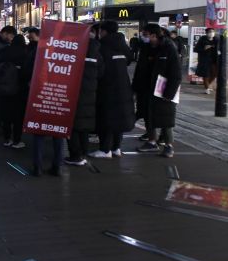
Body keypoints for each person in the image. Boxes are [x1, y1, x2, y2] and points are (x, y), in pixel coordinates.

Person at [89, 21, 135, 159]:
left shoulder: (101, 46)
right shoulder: (122, 46)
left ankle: (105, 150)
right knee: (119, 118)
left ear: (103, 31)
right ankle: (116, 148)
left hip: (107, 87)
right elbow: (128, 60)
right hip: (124, 87)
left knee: (106, 118)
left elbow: (98, 70)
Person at [137, 24, 182, 158]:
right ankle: (151, 142)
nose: (143, 37)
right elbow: (140, 69)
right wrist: (136, 87)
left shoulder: (168, 48)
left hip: (163, 88)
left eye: (145, 34)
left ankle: (168, 146)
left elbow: (176, 74)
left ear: (153, 35)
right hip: (147, 87)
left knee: (165, 117)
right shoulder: (146, 48)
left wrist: (169, 93)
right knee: (148, 115)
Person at [64, 30, 104, 166]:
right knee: (85, 126)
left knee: (73, 126)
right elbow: (101, 72)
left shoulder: (75, 52)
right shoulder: (97, 53)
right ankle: (83, 153)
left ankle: (76, 156)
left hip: (74, 92)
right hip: (90, 93)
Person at [0, 35, 27, 148]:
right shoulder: (24, 52)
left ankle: (6, 139)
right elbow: (27, 72)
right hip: (19, 90)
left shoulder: (4, 51)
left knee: (6, 115)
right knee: (18, 117)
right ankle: (17, 140)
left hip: (4, 88)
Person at [194, 28, 219, 94]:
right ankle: (207, 88)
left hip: (214, 60)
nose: (211, 33)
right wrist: (204, 48)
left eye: (213, 32)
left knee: (215, 73)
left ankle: (208, 84)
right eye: (210, 32)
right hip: (204, 60)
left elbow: (219, 48)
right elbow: (196, 49)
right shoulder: (202, 39)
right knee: (206, 74)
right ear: (206, 33)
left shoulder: (216, 39)